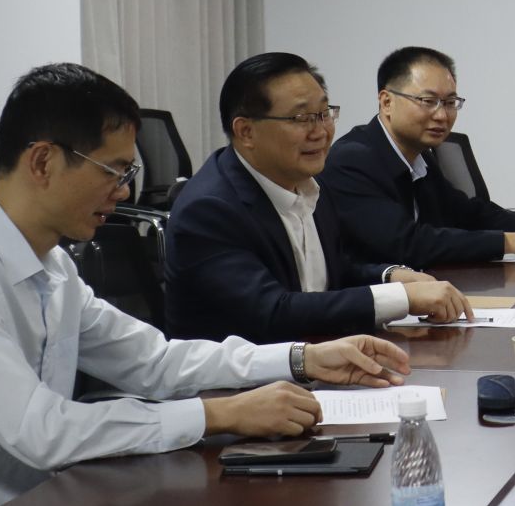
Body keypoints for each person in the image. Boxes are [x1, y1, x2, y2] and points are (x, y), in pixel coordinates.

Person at [0, 64, 410, 506]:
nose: (123, 193)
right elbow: (41, 431)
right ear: (42, 162)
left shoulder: (53, 269)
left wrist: (301, 358)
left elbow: (155, 362)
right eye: (113, 172)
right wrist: (221, 414)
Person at [163, 53, 471, 343]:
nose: (321, 132)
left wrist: (390, 276)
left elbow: (328, 273)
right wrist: (400, 298)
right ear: (246, 132)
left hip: (317, 356)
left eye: (324, 114)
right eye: (301, 118)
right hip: (248, 376)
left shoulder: (310, 186)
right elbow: (273, 311)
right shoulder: (209, 209)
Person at [324, 46, 515, 267]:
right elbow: (406, 243)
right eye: (428, 101)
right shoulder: (352, 160)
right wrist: (510, 242)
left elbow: (466, 212)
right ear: (386, 102)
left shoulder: (420, 156)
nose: (442, 115)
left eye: (450, 102)